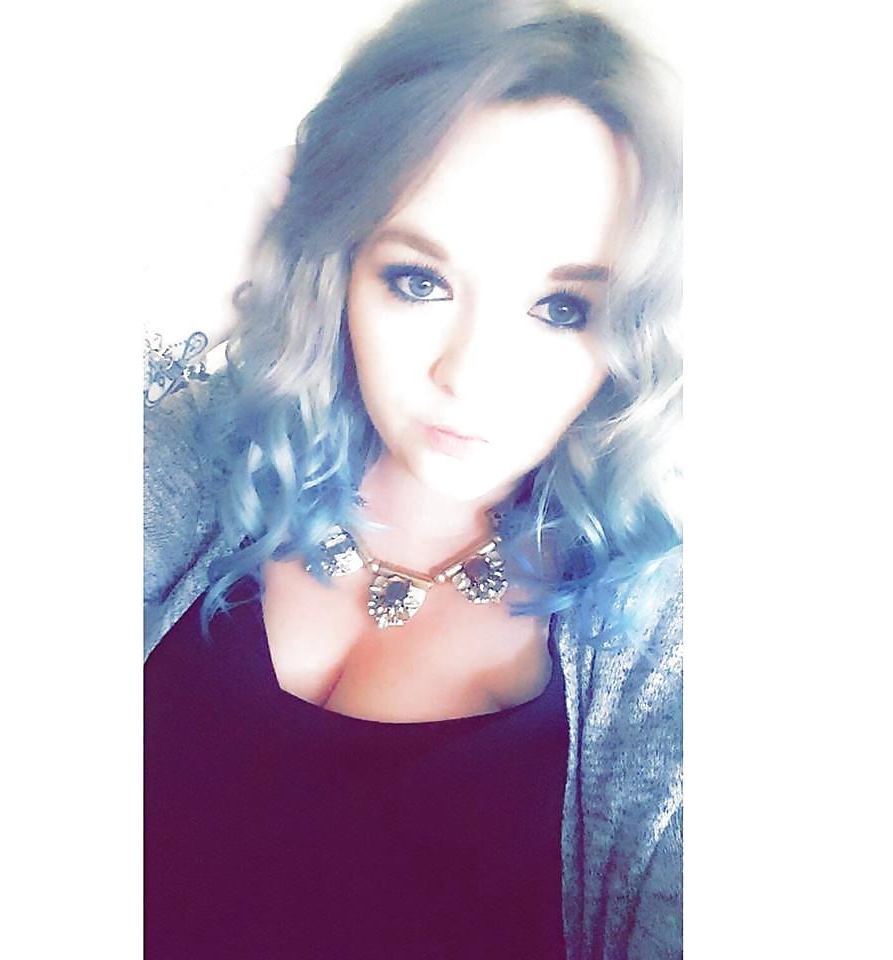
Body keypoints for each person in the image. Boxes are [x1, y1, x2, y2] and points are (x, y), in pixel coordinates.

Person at [144, 1, 682, 957]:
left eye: (562, 308)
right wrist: (230, 242)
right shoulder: (207, 456)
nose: (469, 375)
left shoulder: (672, 651)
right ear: (340, 270)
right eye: (418, 280)